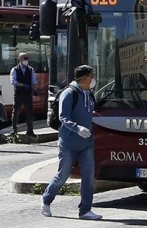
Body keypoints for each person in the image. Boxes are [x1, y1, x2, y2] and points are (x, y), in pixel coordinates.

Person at [41, 65, 102, 220]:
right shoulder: (69, 93)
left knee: (88, 176)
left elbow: (89, 112)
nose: (93, 79)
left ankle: (85, 210)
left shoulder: (89, 93)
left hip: (86, 143)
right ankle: (46, 199)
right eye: (91, 76)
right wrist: (77, 128)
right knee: (63, 175)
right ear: (83, 78)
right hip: (68, 143)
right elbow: (63, 117)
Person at [10, 52, 38, 137]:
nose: (26, 60)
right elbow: (13, 81)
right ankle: (14, 129)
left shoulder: (31, 69)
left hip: (28, 93)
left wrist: (35, 89)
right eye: (24, 58)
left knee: (29, 112)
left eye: (27, 58)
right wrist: (23, 85)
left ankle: (30, 130)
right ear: (20, 59)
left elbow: (34, 81)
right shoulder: (14, 69)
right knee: (16, 111)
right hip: (18, 93)